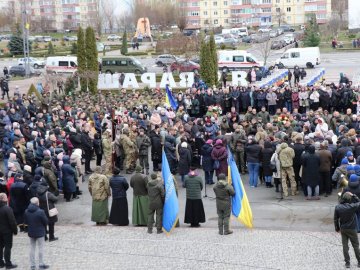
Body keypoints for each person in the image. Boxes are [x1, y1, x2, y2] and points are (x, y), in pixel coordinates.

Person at [334, 192, 360, 268]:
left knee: (345, 246)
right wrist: (354, 195)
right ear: (349, 199)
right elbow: (359, 202)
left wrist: (337, 228)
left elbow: (335, 219)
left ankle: (347, 263)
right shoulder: (352, 206)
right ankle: (359, 261)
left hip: (343, 229)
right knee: (355, 246)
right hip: (352, 228)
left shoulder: (338, 207)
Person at [24, 197, 49, 270]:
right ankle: (41, 264)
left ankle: (32, 265)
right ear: (37, 202)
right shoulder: (40, 211)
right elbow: (46, 221)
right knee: (41, 248)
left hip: (31, 232)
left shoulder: (26, 211)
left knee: (32, 248)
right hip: (40, 232)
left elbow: (25, 222)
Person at [0, 193, 17, 269]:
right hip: (6, 231)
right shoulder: (7, 209)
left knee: (0, 247)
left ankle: (1, 263)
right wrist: (15, 230)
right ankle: (8, 264)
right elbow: (12, 221)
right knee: (7, 247)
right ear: (3, 199)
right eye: (6, 197)